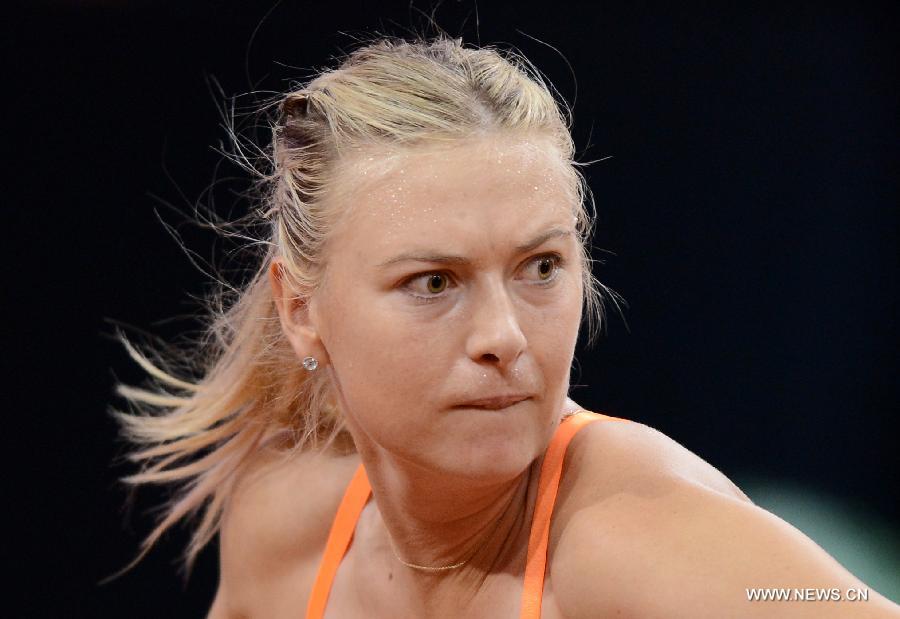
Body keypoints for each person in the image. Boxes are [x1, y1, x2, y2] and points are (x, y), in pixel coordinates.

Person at [108, 35, 900, 618]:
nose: (506, 336)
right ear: (300, 309)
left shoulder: (633, 540)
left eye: (540, 267)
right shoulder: (284, 529)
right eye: (433, 281)